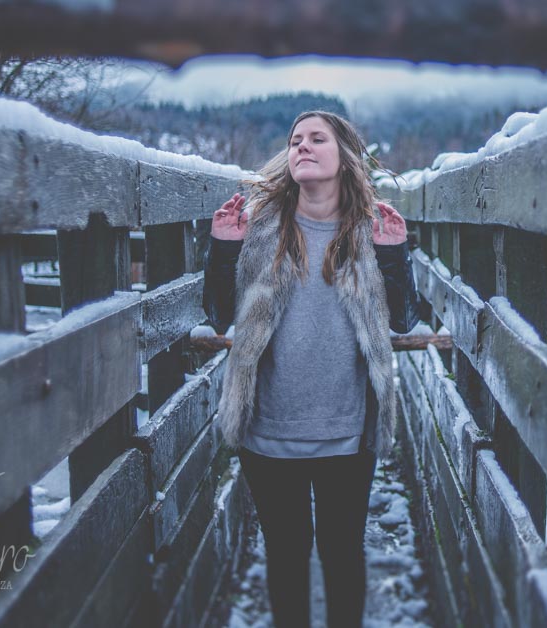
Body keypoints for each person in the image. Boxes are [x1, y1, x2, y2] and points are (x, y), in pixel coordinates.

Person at [202, 110, 420, 628]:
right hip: (269, 430)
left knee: (343, 555)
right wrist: (222, 247)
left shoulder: (372, 230)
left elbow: (406, 319)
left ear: (346, 156)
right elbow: (217, 315)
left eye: (316, 139)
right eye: (295, 139)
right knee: (286, 554)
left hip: (348, 431)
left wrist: (394, 255)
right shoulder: (258, 228)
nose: (302, 146)